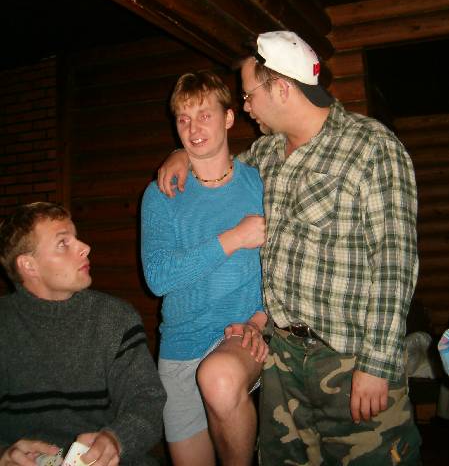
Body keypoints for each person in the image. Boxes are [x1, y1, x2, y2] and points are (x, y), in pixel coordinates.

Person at [157, 31, 422, 465]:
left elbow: (395, 262)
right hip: (281, 360)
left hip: (349, 356)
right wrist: (180, 153)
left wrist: (377, 364)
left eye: (248, 95)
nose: (245, 107)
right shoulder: (265, 155)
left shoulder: (369, 146)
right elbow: (215, 164)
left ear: (280, 88)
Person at [141, 70, 268, 466]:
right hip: (179, 348)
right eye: (183, 119)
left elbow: (282, 264)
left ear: (229, 118)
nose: (193, 128)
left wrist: (260, 320)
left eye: (204, 115)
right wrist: (235, 238)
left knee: (221, 378)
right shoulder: (162, 193)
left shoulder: (260, 183)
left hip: (239, 336)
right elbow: (158, 277)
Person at [0, 202, 166, 466]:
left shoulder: (115, 318)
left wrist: (116, 440)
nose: (85, 247)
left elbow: (146, 399)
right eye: (63, 243)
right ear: (29, 266)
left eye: (76, 237)